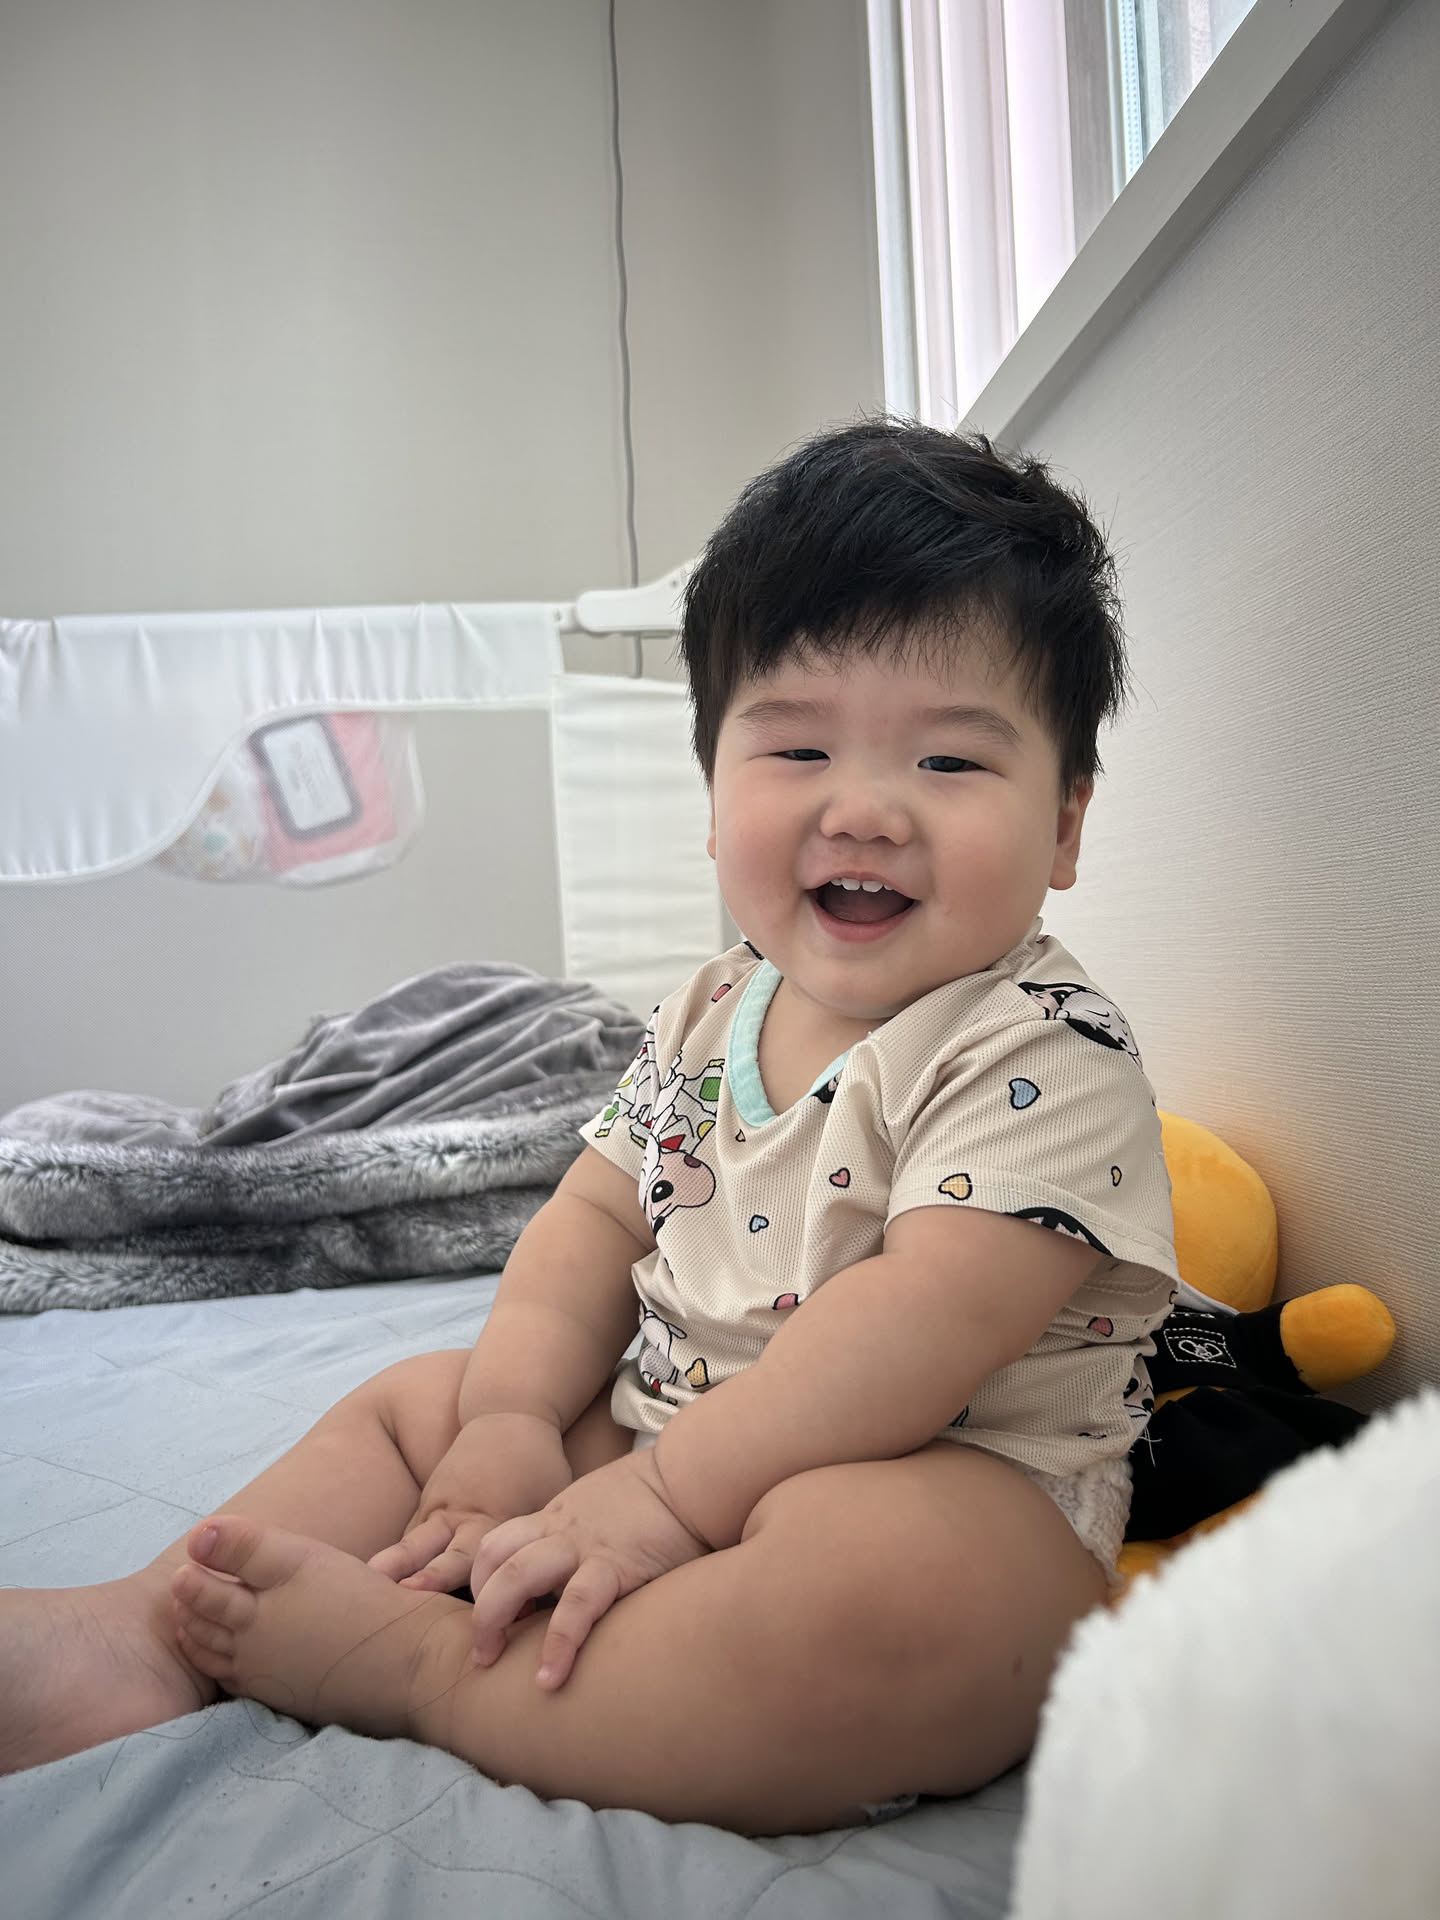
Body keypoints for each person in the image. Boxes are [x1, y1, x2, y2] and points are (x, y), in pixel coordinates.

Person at [0, 420, 1179, 1834]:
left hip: (939, 1479)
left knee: (895, 1594)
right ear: (714, 795)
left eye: (949, 763)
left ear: (1065, 825)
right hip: (664, 1429)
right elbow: (596, 1216)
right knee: (421, 1404)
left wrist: (674, 1501)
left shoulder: (1041, 1045)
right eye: (799, 745)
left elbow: (920, 1327)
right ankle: (153, 1628)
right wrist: (511, 1421)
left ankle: (426, 1669)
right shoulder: (711, 1008)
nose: (865, 808)